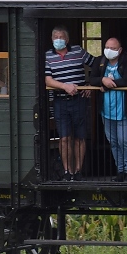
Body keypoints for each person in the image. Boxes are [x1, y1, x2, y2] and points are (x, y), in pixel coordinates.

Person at [44, 26, 94, 180]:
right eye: (55, 37)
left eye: (61, 37)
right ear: (52, 39)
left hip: (79, 100)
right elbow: (47, 79)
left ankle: (78, 171)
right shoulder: (47, 56)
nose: (58, 40)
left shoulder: (78, 51)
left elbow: (97, 65)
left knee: (80, 137)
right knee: (64, 138)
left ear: (67, 39)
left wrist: (90, 84)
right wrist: (64, 86)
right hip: (60, 100)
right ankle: (67, 172)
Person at [88, 37, 127, 182]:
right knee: (114, 141)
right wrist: (102, 80)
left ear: (120, 50)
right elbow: (92, 78)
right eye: (107, 47)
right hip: (106, 110)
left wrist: (109, 83)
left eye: (113, 48)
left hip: (123, 109)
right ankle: (120, 170)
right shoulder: (100, 61)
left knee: (125, 141)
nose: (109, 50)